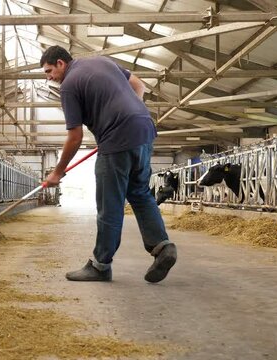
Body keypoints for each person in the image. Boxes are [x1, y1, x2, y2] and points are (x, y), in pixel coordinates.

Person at [40, 45, 176, 283]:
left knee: (109, 203)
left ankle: (100, 265)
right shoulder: (103, 62)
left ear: (61, 63)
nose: (49, 77)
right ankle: (162, 247)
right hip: (143, 130)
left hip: (117, 139)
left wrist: (57, 172)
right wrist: (129, 115)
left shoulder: (69, 86)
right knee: (140, 193)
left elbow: (75, 136)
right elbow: (139, 85)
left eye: (49, 71)